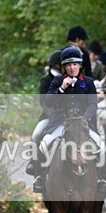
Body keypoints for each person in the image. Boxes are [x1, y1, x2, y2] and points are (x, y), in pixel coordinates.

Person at [33, 46, 104, 194]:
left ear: (80, 65)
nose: (72, 68)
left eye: (74, 64)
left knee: (101, 146)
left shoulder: (89, 82)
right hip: (61, 121)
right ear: (64, 67)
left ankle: (101, 179)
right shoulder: (57, 81)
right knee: (43, 145)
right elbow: (48, 101)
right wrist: (61, 89)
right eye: (68, 65)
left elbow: (93, 103)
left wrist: (86, 119)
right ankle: (40, 177)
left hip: (83, 122)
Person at [26, 50, 63, 191]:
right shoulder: (46, 80)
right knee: (36, 135)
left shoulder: (67, 79)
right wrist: (53, 115)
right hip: (49, 116)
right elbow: (44, 101)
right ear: (56, 65)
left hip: (66, 116)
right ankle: (36, 170)